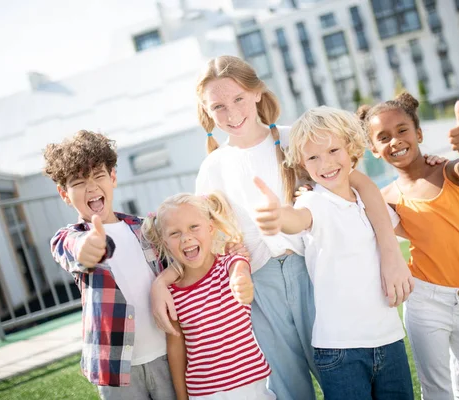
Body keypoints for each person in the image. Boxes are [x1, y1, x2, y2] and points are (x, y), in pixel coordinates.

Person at [150, 55, 413, 400]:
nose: (231, 114)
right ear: (206, 111)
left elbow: (359, 183)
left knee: (343, 375)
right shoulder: (213, 168)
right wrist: (161, 281)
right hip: (259, 289)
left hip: (317, 275)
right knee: (289, 389)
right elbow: (204, 242)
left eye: (238, 99)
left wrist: (391, 254)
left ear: (257, 92)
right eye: (218, 107)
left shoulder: (295, 139)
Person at [253, 106, 413, 400]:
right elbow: (297, 219)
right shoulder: (314, 203)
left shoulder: (367, 199)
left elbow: (403, 228)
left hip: (390, 340)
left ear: (351, 148)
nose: (325, 163)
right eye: (313, 157)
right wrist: (277, 217)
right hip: (341, 351)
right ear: (302, 163)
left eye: (333, 150)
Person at [358, 92, 459, 400]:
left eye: (402, 130)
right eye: (383, 137)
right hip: (426, 303)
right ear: (374, 149)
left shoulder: (448, 173)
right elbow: (353, 204)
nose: (395, 141)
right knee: (436, 391)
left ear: (418, 133)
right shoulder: (384, 197)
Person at [45, 130, 175, 400]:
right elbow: (73, 250)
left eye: (98, 176)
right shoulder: (68, 238)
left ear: (113, 177)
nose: (91, 187)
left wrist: (163, 280)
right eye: (79, 182)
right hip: (115, 370)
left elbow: (177, 264)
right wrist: (88, 247)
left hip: (166, 354)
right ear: (64, 194)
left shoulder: (146, 229)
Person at [141, 192, 274, 400]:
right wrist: (182, 398)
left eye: (194, 227)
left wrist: (241, 280)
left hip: (251, 389)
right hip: (203, 394)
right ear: (165, 243)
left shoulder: (230, 264)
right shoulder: (171, 294)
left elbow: (240, 269)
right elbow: (176, 349)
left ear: (211, 229)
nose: (186, 238)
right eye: (175, 233)